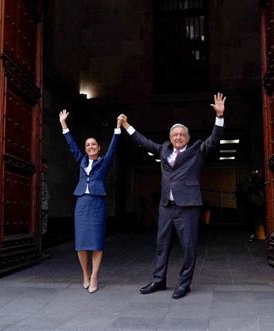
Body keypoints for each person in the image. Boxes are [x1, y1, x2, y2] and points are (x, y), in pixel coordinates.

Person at [118, 92, 226, 299]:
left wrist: (219, 117)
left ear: (187, 138)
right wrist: (126, 126)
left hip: (188, 206)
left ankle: (184, 284)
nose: (178, 137)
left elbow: (214, 140)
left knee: (188, 246)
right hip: (166, 206)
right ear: (170, 138)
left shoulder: (197, 150)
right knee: (162, 244)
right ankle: (159, 281)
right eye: (174, 135)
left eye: (182, 135)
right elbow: (144, 141)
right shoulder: (163, 150)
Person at [59, 109, 122, 293]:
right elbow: (71, 145)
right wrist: (64, 124)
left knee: (96, 242)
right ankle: (85, 274)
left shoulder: (104, 162)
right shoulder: (81, 161)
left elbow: (113, 147)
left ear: (99, 147)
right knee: (81, 243)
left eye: (94, 144)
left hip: (97, 205)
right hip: (82, 204)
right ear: (85, 149)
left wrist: (118, 128)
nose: (91, 147)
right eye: (88, 145)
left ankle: (94, 276)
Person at [40, 158, 51, 259]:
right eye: (45, 165)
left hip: (44, 207)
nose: (46, 167)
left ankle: (40, 252)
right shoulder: (38, 177)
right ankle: (38, 253)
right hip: (41, 208)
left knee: (43, 230)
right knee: (39, 230)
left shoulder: (43, 177)